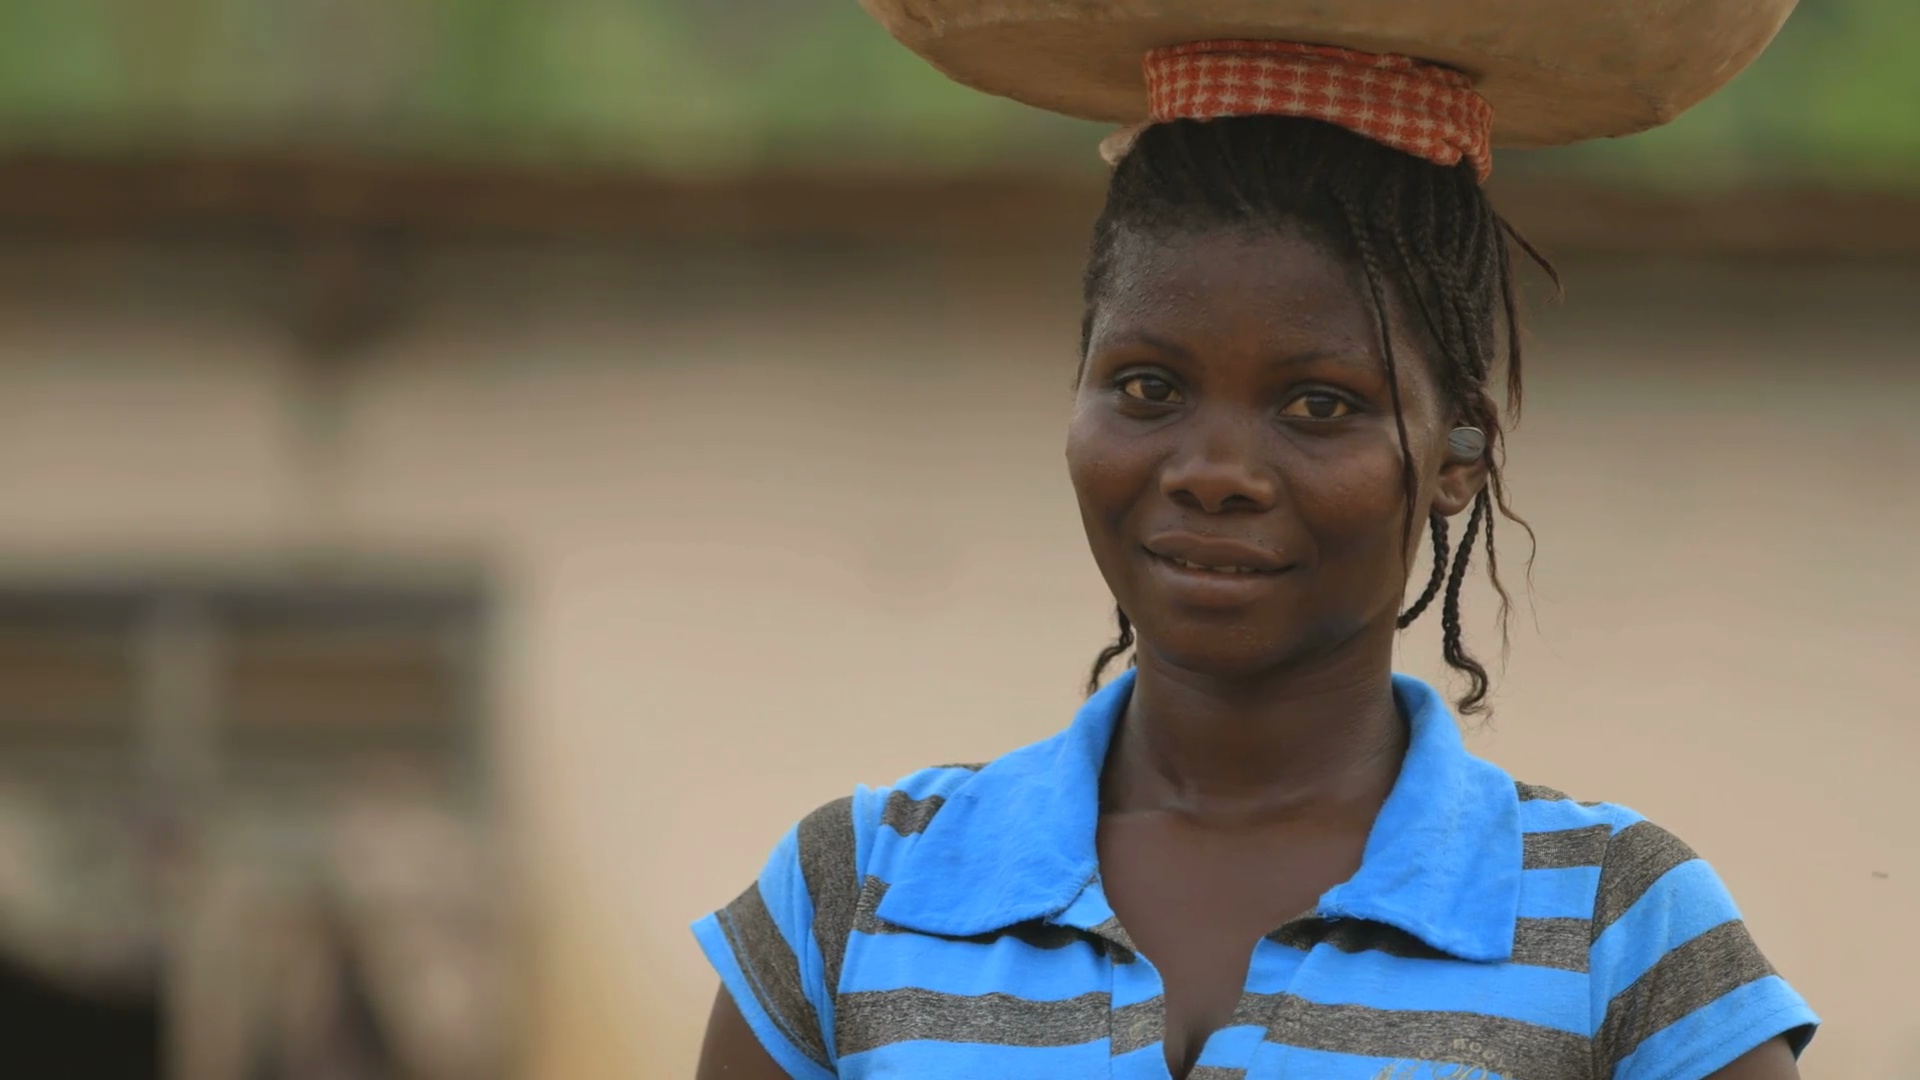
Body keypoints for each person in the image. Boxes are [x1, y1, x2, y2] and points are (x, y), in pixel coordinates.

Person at [692, 40, 1818, 1080]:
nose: (1213, 469)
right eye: (1148, 388)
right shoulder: (854, 897)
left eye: (1318, 404)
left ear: (1457, 452)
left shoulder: (1619, 927)